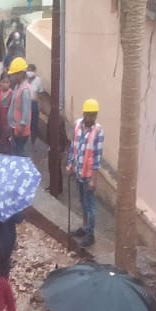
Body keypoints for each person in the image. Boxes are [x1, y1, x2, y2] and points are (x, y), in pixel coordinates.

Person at [67, 99, 104, 249]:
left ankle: (90, 234)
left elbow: (97, 157)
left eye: (94, 115)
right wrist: (70, 164)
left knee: (90, 206)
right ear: (84, 114)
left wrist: (93, 179)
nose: (92, 118)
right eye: (89, 115)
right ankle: (84, 226)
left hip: (88, 175)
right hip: (78, 172)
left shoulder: (98, 131)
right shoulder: (77, 125)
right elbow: (73, 146)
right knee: (82, 202)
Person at [7, 57, 32, 157]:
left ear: (21, 74)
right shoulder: (18, 87)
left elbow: (25, 111)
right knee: (15, 152)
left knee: (19, 154)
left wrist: (21, 127)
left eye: (13, 74)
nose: (11, 77)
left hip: (20, 130)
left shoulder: (24, 90)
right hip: (15, 127)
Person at [0, 74, 13, 155]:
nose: (5, 84)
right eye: (3, 82)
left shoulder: (12, 94)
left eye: (7, 82)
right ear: (0, 82)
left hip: (7, 124)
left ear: (10, 83)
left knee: (6, 145)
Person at [26, 63, 43, 149]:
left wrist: (39, 106)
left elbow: (40, 94)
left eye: (31, 70)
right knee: (25, 123)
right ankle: (25, 141)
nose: (30, 72)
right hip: (25, 104)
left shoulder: (38, 80)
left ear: (35, 71)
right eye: (28, 70)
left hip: (34, 104)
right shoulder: (24, 80)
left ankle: (33, 142)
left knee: (34, 124)